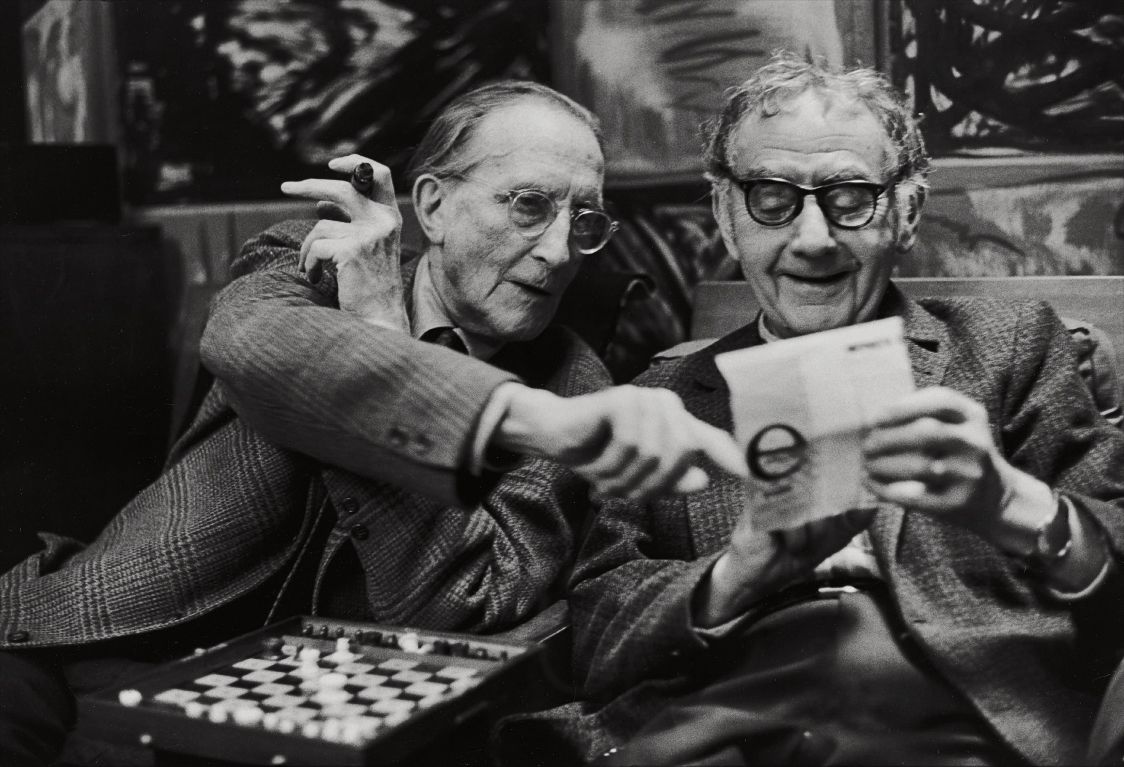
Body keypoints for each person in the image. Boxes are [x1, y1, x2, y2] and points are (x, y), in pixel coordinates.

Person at [0, 80, 743, 766]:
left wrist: (386, 332)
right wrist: (479, 394)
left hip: (305, 715)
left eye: (584, 220)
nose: (556, 251)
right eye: (528, 205)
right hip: (93, 634)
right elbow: (248, 342)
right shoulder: (311, 253)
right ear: (433, 204)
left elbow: (460, 605)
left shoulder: (578, 385)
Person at [523, 54, 1124, 766]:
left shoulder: (1010, 346)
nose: (812, 239)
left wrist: (1017, 506)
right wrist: (734, 574)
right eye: (772, 197)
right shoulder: (663, 397)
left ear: (905, 211)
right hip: (724, 723)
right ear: (725, 214)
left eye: (849, 197)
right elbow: (598, 621)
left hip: (959, 719)